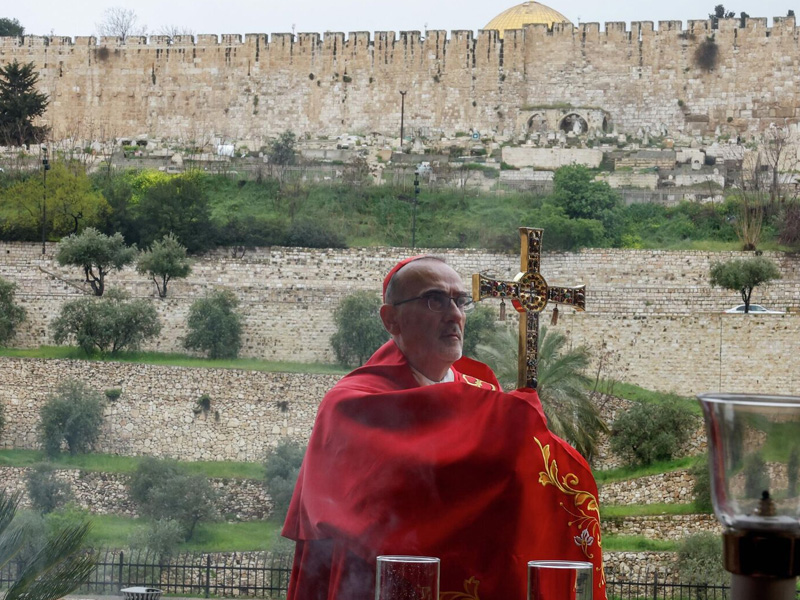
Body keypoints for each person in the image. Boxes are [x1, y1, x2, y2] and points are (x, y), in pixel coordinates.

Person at [282, 255, 606, 600]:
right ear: (392, 320)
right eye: (434, 300)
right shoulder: (351, 404)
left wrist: (524, 436)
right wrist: (513, 424)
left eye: (460, 301)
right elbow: (396, 502)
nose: (455, 314)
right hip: (376, 584)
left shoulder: (485, 393)